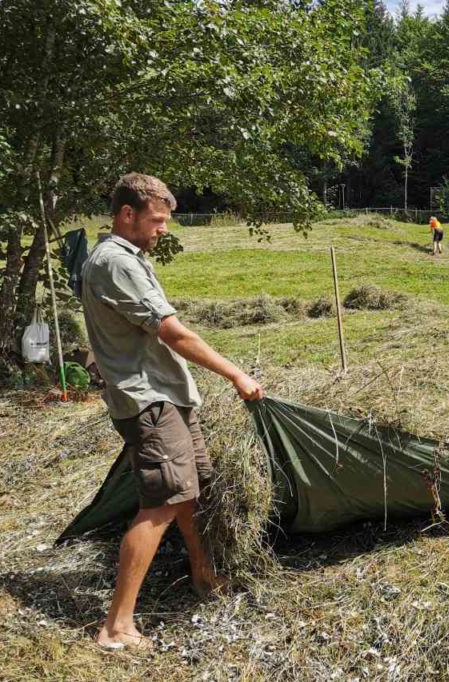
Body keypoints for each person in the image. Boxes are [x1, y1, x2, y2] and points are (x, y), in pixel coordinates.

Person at [82, 173, 264, 650]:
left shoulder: (129, 259)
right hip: (149, 400)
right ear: (127, 214)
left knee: (190, 491)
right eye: (157, 220)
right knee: (161, 504)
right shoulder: (115, 263)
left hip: (169, 394)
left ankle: (205, 575)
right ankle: (116, 626)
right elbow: (174, 334)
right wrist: (236, 374)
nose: (163, 229)